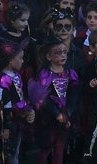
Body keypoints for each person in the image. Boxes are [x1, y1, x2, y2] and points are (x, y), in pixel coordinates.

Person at [30, 36, 80, 164]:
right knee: (46, 147)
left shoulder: (70, 73)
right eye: (58, 53)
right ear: (48, 56)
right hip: (48, 116)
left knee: (60, 147)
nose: (63, 55)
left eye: (64, 52)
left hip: (64, 114)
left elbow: (74, 94)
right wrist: (56, 114)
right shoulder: (45, 74)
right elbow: (41, 97)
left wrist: (67, 113)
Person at [0, 38, 34, 164]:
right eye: (20, 58)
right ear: (11, 60)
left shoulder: (16, 75)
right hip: (10, 119)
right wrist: (22, 109)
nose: (22, 61)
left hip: (19, 119)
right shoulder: (4, 79)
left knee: (16, 149)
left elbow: (21, 95)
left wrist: (28, 108)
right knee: (9, 152)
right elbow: (6, 101)